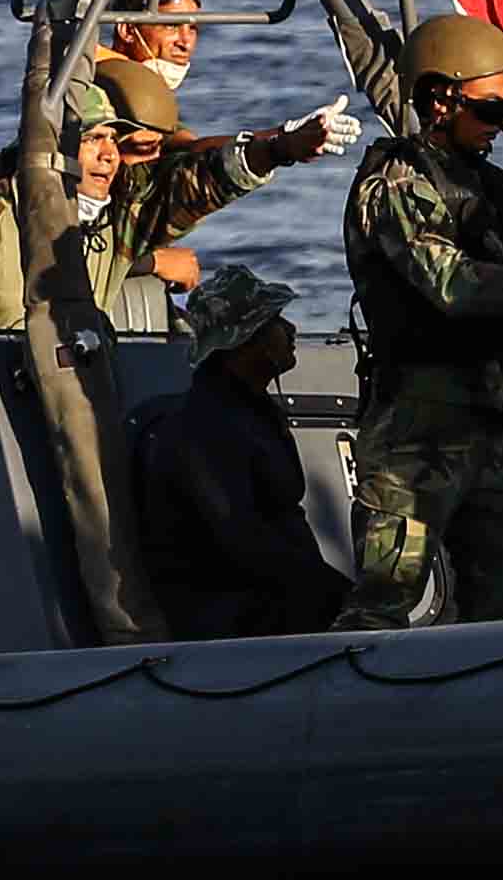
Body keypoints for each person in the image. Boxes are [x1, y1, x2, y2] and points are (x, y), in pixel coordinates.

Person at [336, 14, 503, 630]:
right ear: (442, 99)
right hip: (417, 433)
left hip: (489, 422)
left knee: (498, 609)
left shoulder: (493, 186)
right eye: (491, 109)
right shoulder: (395, 184)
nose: (502, 126)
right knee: (385, 604)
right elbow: (453, 285)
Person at [0, 70, 348, 342]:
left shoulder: (116, 217)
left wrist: (281, 148)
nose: (108, 155)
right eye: (91, 140)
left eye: (112, 140)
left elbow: (198, 181)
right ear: (50, 150)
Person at [135, 266, 353, 643]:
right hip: (234, 620)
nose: (291, 331)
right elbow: (243, 545)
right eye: (275, 322)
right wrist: (342, 598)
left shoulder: (246, 409)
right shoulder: (205, 430)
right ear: (244, 341)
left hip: (274, 601)